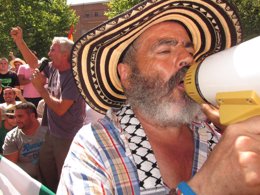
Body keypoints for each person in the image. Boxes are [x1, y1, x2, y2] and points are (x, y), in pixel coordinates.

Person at [56, 0, 260, 194]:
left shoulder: (216, 138)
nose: (188, 59)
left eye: (190, 50)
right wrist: (204, 188)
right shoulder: (94, 149)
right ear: (127, 75)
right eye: (164, 50)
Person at [10, 27, 86, 191]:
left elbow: (60, 109)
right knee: (46, 169)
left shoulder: (73, 77)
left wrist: (41, 89)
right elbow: (33, 63)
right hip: (51, 132)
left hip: (67, 136)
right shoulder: (53, 68)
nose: (49, 53)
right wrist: (19, 41)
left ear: (65, 54)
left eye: (53, 50)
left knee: (65, 176)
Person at [2, 102, 47, 179]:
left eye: (20, 116)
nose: (16, 120)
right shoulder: (11, 137)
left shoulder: (48, 127)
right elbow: (10, 167)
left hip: (51, 177)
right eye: (15, 117)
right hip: (27, 180)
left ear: (32, 116)